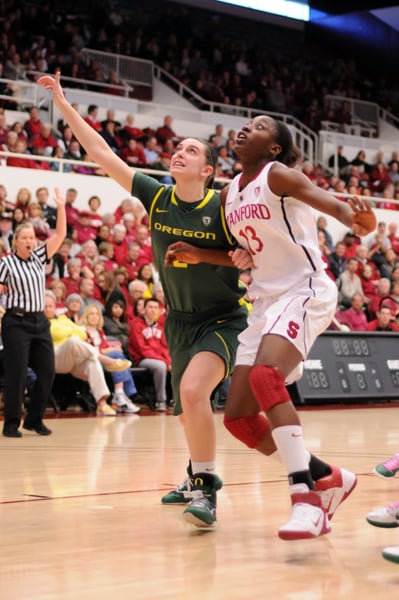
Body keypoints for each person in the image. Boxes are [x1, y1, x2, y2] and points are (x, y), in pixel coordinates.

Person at [38, 72, 251, 528]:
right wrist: (62, 101)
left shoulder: (224, 207)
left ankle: (207, 491)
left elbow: (250, 258)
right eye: (179, 147)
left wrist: (241, 255)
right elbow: (100, 151)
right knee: (184, 411)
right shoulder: (157, 197)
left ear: (208, 171)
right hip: (179, 321)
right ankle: (195, 473)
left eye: (192, 150)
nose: (179, 151)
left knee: (194, 393)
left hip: (225, 317)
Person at [216, 115, 376, 540]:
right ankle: (329, 477)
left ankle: (306, 500)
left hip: (305, 288)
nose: (247, 128)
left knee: (269, 378)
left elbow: (336, 207)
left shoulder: (280, 174)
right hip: (265, 300)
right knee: (239, 419)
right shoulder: (228, 192)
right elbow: (241, 251)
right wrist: (204, 255)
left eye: (261, 125)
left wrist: (360, 222)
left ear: (274, 148)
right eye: (247, 123)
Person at [0, 188, 67, 437]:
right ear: (15, 241)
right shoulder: (6, 263)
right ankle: (11, 422)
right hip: (16, 322)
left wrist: (60, 206)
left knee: (48, 371)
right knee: (16, 374)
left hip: (40, 322)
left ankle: (34, 419)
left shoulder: (40, 256)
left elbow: (61, 233)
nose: (30, 241)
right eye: (25, 237)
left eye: (32, 238)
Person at [80, 304, 140, 414]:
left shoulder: (99, 330)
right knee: (119, 358)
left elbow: (104, 346)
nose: (94, 316)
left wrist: (111, 348)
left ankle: (120, 394)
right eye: (91, 314)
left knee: (119, 358)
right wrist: (108, 351)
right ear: (86, 316)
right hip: (90, 360)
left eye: (97, 314)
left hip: (103, 359)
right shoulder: (82, 330)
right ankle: (120, 394)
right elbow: (87, 350)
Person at [128, 297, 171, 411]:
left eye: (155, 308)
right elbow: (142, 349)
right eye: (150, 307)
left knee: (178, 363)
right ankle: (161, 401)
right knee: (160, 366)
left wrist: (169, 361)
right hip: (141, 359)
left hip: (159, 358)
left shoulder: (161, 326)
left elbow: (164, 347)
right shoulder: (136, 324)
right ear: (144, 309)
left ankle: (176, 399)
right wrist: (165, 362)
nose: (153, 310)